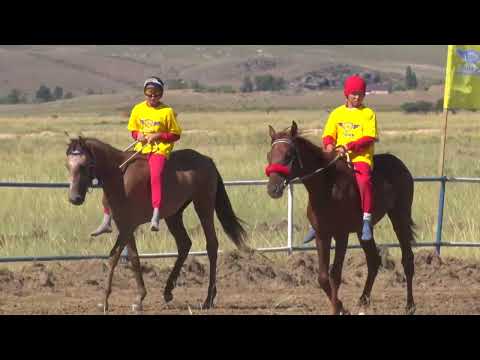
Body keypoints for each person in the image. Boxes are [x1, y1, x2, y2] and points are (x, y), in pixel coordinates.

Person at [90, 76, 182, 237]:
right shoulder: (138, 109)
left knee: (156, 175)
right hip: (140, 149)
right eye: (149, 94)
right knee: (115, 172)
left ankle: (155, 213)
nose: (152, 97)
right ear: (145, 93)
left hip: (158, 150)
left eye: (157, 94)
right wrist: (137, 135)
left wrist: (159, 135)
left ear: (161, 94)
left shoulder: (167, 112)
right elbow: (133, 130)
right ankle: (106, 219)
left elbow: (175, 135)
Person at [303, 74, 378, 243]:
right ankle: (315, 223)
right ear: (346, 94)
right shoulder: (337, 113)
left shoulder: (368, 114)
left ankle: (366, 220)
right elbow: (328, 134)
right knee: (320, 182)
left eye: (360, 94)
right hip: (337, 157)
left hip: (360, 157)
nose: (357, 97)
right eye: (354, 93)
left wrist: (348, 147)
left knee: (364, 181)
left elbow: (368, 138)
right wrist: (329, 146)